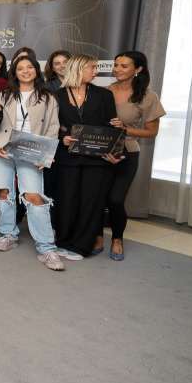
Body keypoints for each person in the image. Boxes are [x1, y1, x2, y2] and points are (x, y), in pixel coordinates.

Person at [0, 55, 66, 271]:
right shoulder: (4, 95)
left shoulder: (47, 97)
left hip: (32, 151)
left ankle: (46, 247)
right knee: (3, 193)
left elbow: (53, 127)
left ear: (36, 70)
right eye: (20, 68)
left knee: (34, 197)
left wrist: (46, 156)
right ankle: (8, 234)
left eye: (30, 67)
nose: (25, 71)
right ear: (15, 72)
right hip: (3, 149)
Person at [53, 54, 119, 257]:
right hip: (67, 157)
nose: (96, 72)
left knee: (91, 202)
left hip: (96, 159)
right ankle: (63, 241)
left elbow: (111, 127)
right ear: (79, 68)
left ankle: (82, 246)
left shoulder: (104, 95)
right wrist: (62, 138)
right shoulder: (57, 95)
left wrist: (115, 150)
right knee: (66, 200)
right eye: (92, 67)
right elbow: (50, 126)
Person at [102, 51, 164, 261]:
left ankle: (117, 239)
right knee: (97, 197)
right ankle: (97, 236)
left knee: (116, 199)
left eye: (124, 66)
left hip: (127, 153)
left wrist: (125, 129)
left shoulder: (148, 96)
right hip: (101, 152)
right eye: (116, 65)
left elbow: (151, 132)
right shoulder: (105, 91)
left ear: (138, 69)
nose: (117, 69)